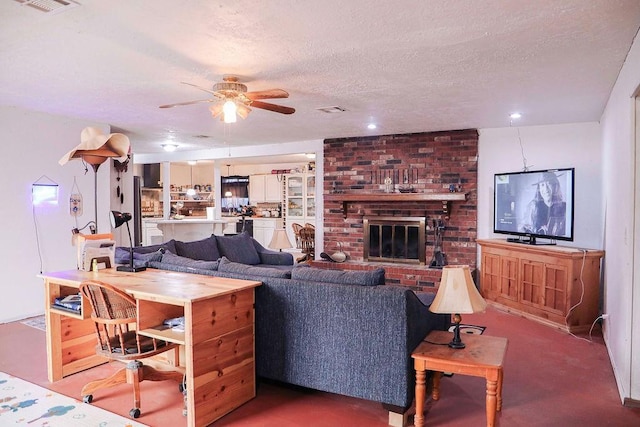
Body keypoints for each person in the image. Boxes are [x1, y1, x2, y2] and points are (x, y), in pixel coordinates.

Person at [520, 172, 566, 236]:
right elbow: (522, 228)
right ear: (539, 188)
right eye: (542, 185)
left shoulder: (565, 208)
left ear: (555, 186)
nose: (546, 189)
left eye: (549, 184)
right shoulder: (532, 207)